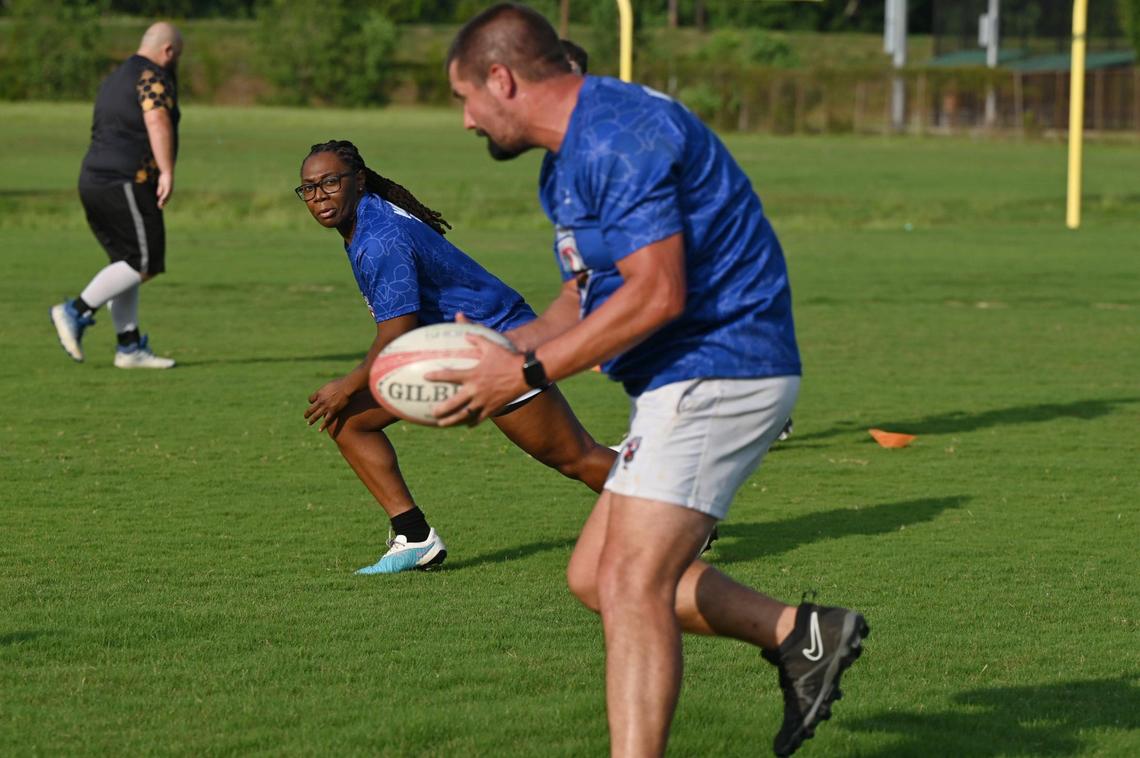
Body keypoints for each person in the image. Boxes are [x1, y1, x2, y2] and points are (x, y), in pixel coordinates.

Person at [437, 5, 868, 756]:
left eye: (464, 98)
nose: (467, 121)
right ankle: (800, 635)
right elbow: (585, 294)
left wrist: (528, 373)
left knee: (633, 582)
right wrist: (493, 354)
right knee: (595, 578)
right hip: (685, 376)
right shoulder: (567, 161)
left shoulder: (617, 135)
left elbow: (658, 291)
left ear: (500, 79)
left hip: (723, 364)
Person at [297, 139, 616, 574]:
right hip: (455, 347)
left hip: (495, 345)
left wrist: (345, 385)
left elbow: (395, 336)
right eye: (309, 189)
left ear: (359, 180)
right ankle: (413, 536)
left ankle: (671, 510)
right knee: (350, 422)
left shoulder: (379, 239)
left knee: (574, 457)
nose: (320, 197)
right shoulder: (368, 217)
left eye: (331, 182)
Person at [50, 22, 183, 369]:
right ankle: (75, 310)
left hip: (93, 179)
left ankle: (129, 347)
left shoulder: (116, 77)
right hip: (125, 180)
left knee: (126, 262)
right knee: (145, 261)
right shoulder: (153, 76)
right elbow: (157, 120)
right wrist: (167, 170)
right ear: (168, 51)